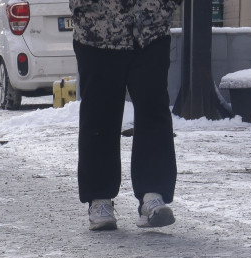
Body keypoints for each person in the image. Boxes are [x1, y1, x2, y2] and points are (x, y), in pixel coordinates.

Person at [70, 0, 181, 231]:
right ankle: (100, 199)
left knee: (154, 109)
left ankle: (153, 194)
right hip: (97, 28)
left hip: (150, 27)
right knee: (99, 114)